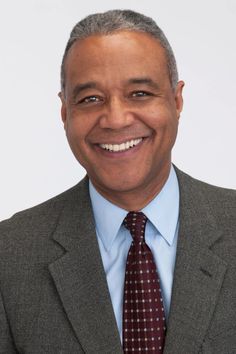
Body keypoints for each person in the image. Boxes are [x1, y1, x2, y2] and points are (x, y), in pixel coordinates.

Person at [0, 9, 235, 354]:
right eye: (90, 99)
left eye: (139, 93)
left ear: (177, 99)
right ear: (65, 112)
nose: (115, 119)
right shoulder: (10, 257)